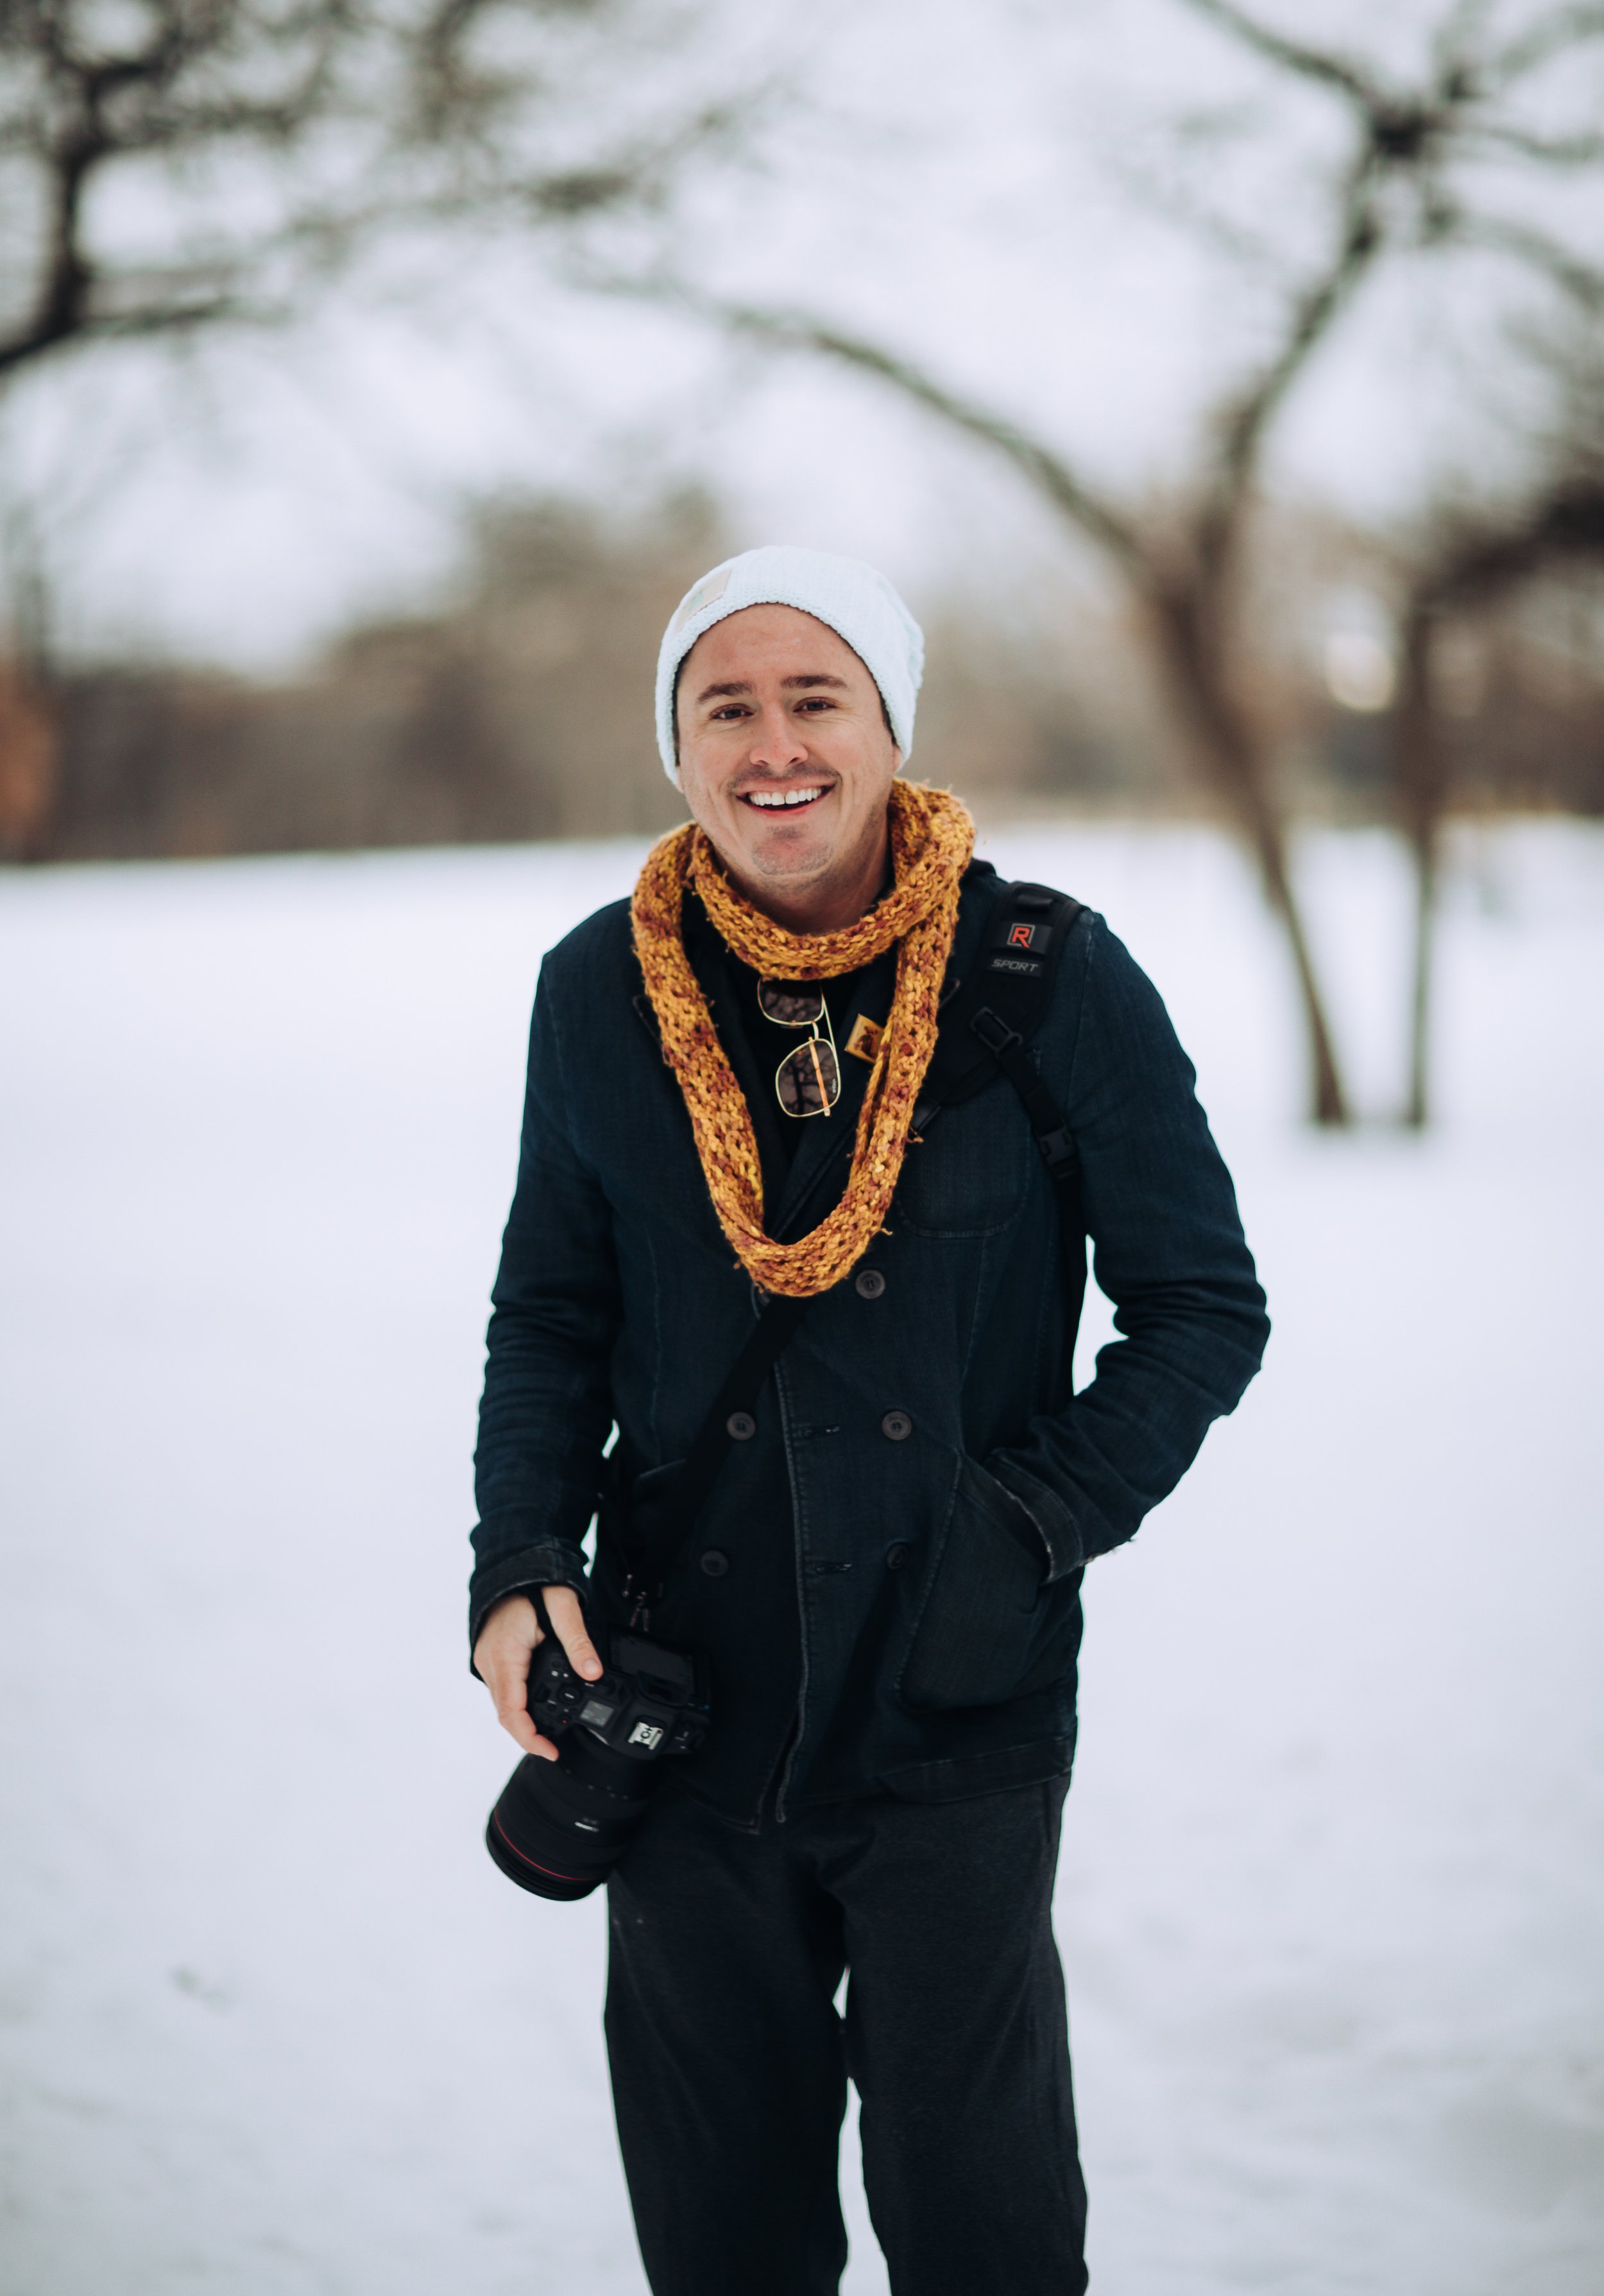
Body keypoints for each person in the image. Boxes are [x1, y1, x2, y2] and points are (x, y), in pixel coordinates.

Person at [470, 545, 1269, 2296]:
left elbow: (1201, 1305)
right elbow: (552, 1310)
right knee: (722, 2235)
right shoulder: (599, 986)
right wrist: (519, 1565)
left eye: (814, 697)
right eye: (724, 705)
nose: (772, 745)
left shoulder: (1040, 971)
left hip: (952, 1703)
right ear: (675, 744)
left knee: (979, 2227)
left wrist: (1023, 1530)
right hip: (676, 1695)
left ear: (888, 726)